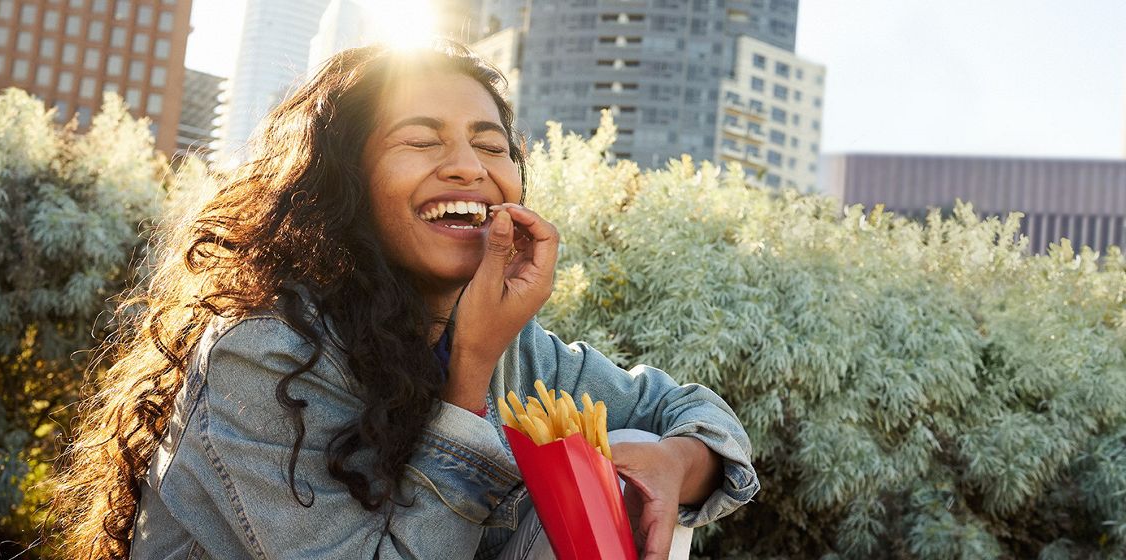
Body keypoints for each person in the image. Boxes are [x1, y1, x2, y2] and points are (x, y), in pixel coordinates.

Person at [52, 40, 759, 560]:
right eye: (421, 141)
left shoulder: (521, 348)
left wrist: (675, 464)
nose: (468, 167)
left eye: (492, 145)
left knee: (625, 450)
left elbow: (691, 413)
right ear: (345, 182)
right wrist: (470, 374)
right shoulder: (263, 352)